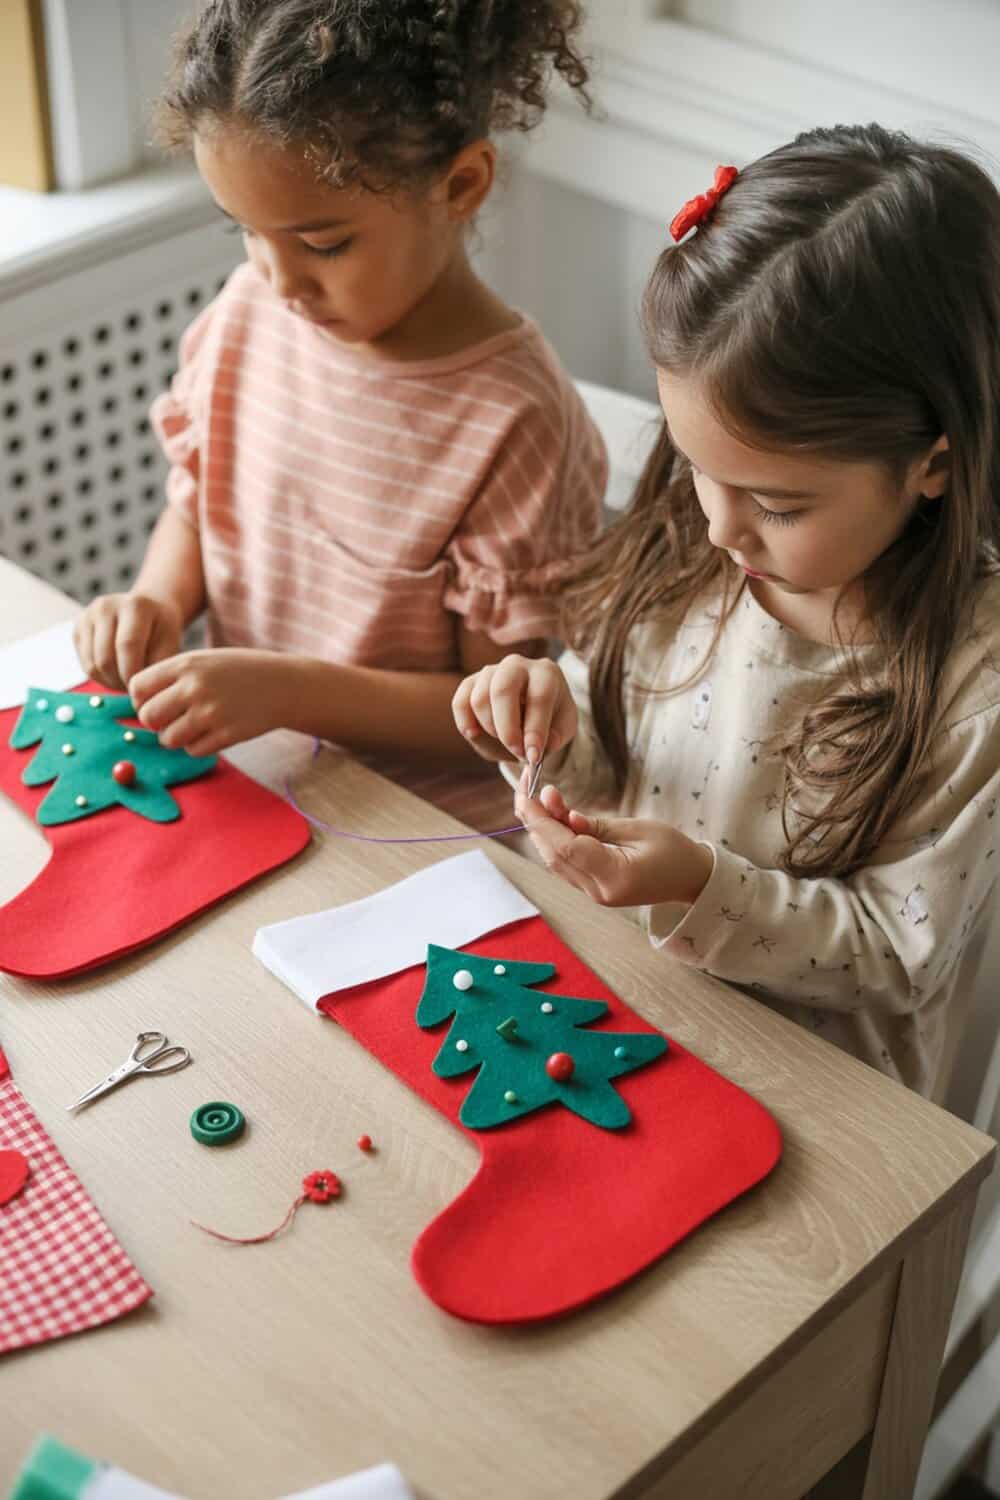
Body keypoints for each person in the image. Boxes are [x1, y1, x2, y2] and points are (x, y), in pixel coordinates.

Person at [453, 124, 1000, 1097]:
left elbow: (897, 954)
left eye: (778, 505)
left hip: (826, 1108)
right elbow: (627, 731)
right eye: (699, 469)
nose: (718, 529)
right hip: (621, 1018)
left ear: (933, 462)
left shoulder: (971, 677)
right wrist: (550, 715)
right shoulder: (694, 547)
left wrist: (700, 887)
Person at [73, 0, 606, 827]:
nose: (280, 280)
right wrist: (155, 602)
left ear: (460, 185)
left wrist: (288, 689)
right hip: (254, 779)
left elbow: (486, 724)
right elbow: (201, 501)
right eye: (247, 232)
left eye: (323, 245)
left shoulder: (515, 417)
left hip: (412, 831)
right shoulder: (250, 310)